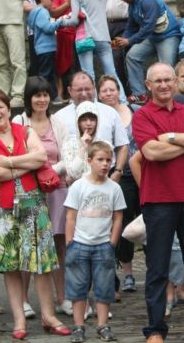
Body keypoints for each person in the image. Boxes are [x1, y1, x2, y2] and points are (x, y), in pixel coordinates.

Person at [132, 62, 184, 342]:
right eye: (158, 81)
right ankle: (155, 329)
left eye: (168, 80)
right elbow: (151, 152)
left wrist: (171, 138)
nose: (164, 85)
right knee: (157, 267)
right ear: (148, 85)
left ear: (176, 80)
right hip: (158, 200)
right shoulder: (142, 116)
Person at [0, 89, 69, 339]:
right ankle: (19, 320)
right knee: (11, 265)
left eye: (1, 107)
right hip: (2, 209)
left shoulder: (26, 131)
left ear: (9, 110)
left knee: (41, 263)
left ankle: (48, 315)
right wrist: (24, 164)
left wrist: (8, 162)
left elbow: (41, 156)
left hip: (33, 204)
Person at [12, 77, 72, 316]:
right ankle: (24, 299)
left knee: (59, 244)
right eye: (37, 95)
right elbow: (13, 152)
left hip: (56, 189)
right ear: (29, 98)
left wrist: (49, 171)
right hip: (28, 190)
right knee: (27, 244)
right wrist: (35, 171)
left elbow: (69, 157)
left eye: (46, 95)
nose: (42, 99)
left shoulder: (58, 122)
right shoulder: (19, 121)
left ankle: (62, 298)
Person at [64, 140, 126, 343]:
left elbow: (118, 217)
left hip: (103, 246)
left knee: (104, 287)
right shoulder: (79, 186)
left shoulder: (114, 188)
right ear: (89, 161)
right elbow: (71, 216)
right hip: (80, 244)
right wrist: (70, 242)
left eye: (108, 160)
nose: (105, 164)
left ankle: (102, 325)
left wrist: (112, 243)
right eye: (100, 160)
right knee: (77, 287)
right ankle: (79, 326)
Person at [97, 74, 140, 293]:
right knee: (121, 224)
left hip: (141, 173)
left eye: (112, 89)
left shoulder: (135, 111)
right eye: (104, 90)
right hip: (117, 175)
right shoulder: (99, 116)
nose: (108, 93)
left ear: (119, 90)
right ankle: (127, 272)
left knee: (142, 221)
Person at [113, 0, 182, 105]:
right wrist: (123, 39)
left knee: (166, 67)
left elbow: (148, 26)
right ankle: (139, 94)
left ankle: (172, 97)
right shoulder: (132, 4)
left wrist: (130, 41)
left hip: (168, 35)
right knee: (132, 57)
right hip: (152, 37)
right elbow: (132, 25)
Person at [68, 0, 128, 104]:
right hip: (103, 37)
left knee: (89, 74)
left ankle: (92, 103)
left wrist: (61, 22)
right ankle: (123, 101)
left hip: (85, 37)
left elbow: (74, 19)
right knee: (111, 72)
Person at [53, 72, 130, 178]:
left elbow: (122, 145)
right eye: (79, 90)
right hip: (72, 179)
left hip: (107, 176)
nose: (84, 94)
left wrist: (118, 171)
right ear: (69, 90)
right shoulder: (59, 117)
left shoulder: (110, 112)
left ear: (94, 87)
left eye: (87, 89)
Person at [100, 0, 138, 94]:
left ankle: (126, 91)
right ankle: (118, 90)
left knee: (118, 56)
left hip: (124, 24)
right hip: (107, 25)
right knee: (109, 57)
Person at [27, 0, 68, 97]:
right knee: (45, 74)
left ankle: (53, 96)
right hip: (46, 48)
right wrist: (60, 21)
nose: (52, 3)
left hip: (42, 48)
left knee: (49, 74)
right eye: (51, 0)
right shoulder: (42, 11)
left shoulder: (34, 12)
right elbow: (48, 28)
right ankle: (41, 95)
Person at [52, 0, 80, 101]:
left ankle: (77, 93)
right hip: (63, 34)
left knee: (77, 65)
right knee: (63, 66)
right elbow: (54, 12)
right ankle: (63, 94)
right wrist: (69, 2)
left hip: (78, 33)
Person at [62, 101, 100, 183]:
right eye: (84, 120)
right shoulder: (69, 144)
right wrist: (83, 148)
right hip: (77, 193)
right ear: (78, 122)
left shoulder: (103, 144)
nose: (88, 123)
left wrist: (80, 177)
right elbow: (72, 174)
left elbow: (102, 173)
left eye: (92, 119)